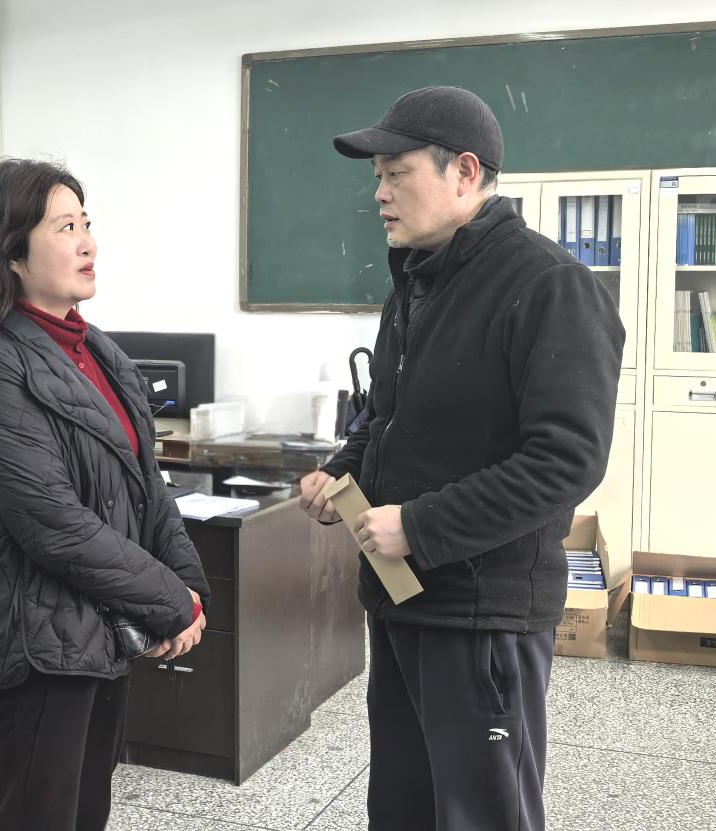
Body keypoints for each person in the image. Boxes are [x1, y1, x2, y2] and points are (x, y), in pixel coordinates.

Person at [298, 86, 624, 831]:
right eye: (377, 177)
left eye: (396, 173)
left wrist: (419, 526)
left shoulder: (549, 286)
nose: (379, 194)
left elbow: (567, 460)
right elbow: (388, 418)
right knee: (404, 808)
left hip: (482, 616)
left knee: (482, 814)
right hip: (401, 598)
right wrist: (343, 470)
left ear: (465, 173)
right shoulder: (416, 282)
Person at [0, 158, 209, 831]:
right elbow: (55, 523)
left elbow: (146, 487)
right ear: (12, 252)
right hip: (29, 645)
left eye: (87, 224)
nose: (88, 242)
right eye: (65, 227)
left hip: (95, 635)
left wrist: (188, 586)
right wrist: (169, 601)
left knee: (86, 814)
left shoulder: (99, 354)